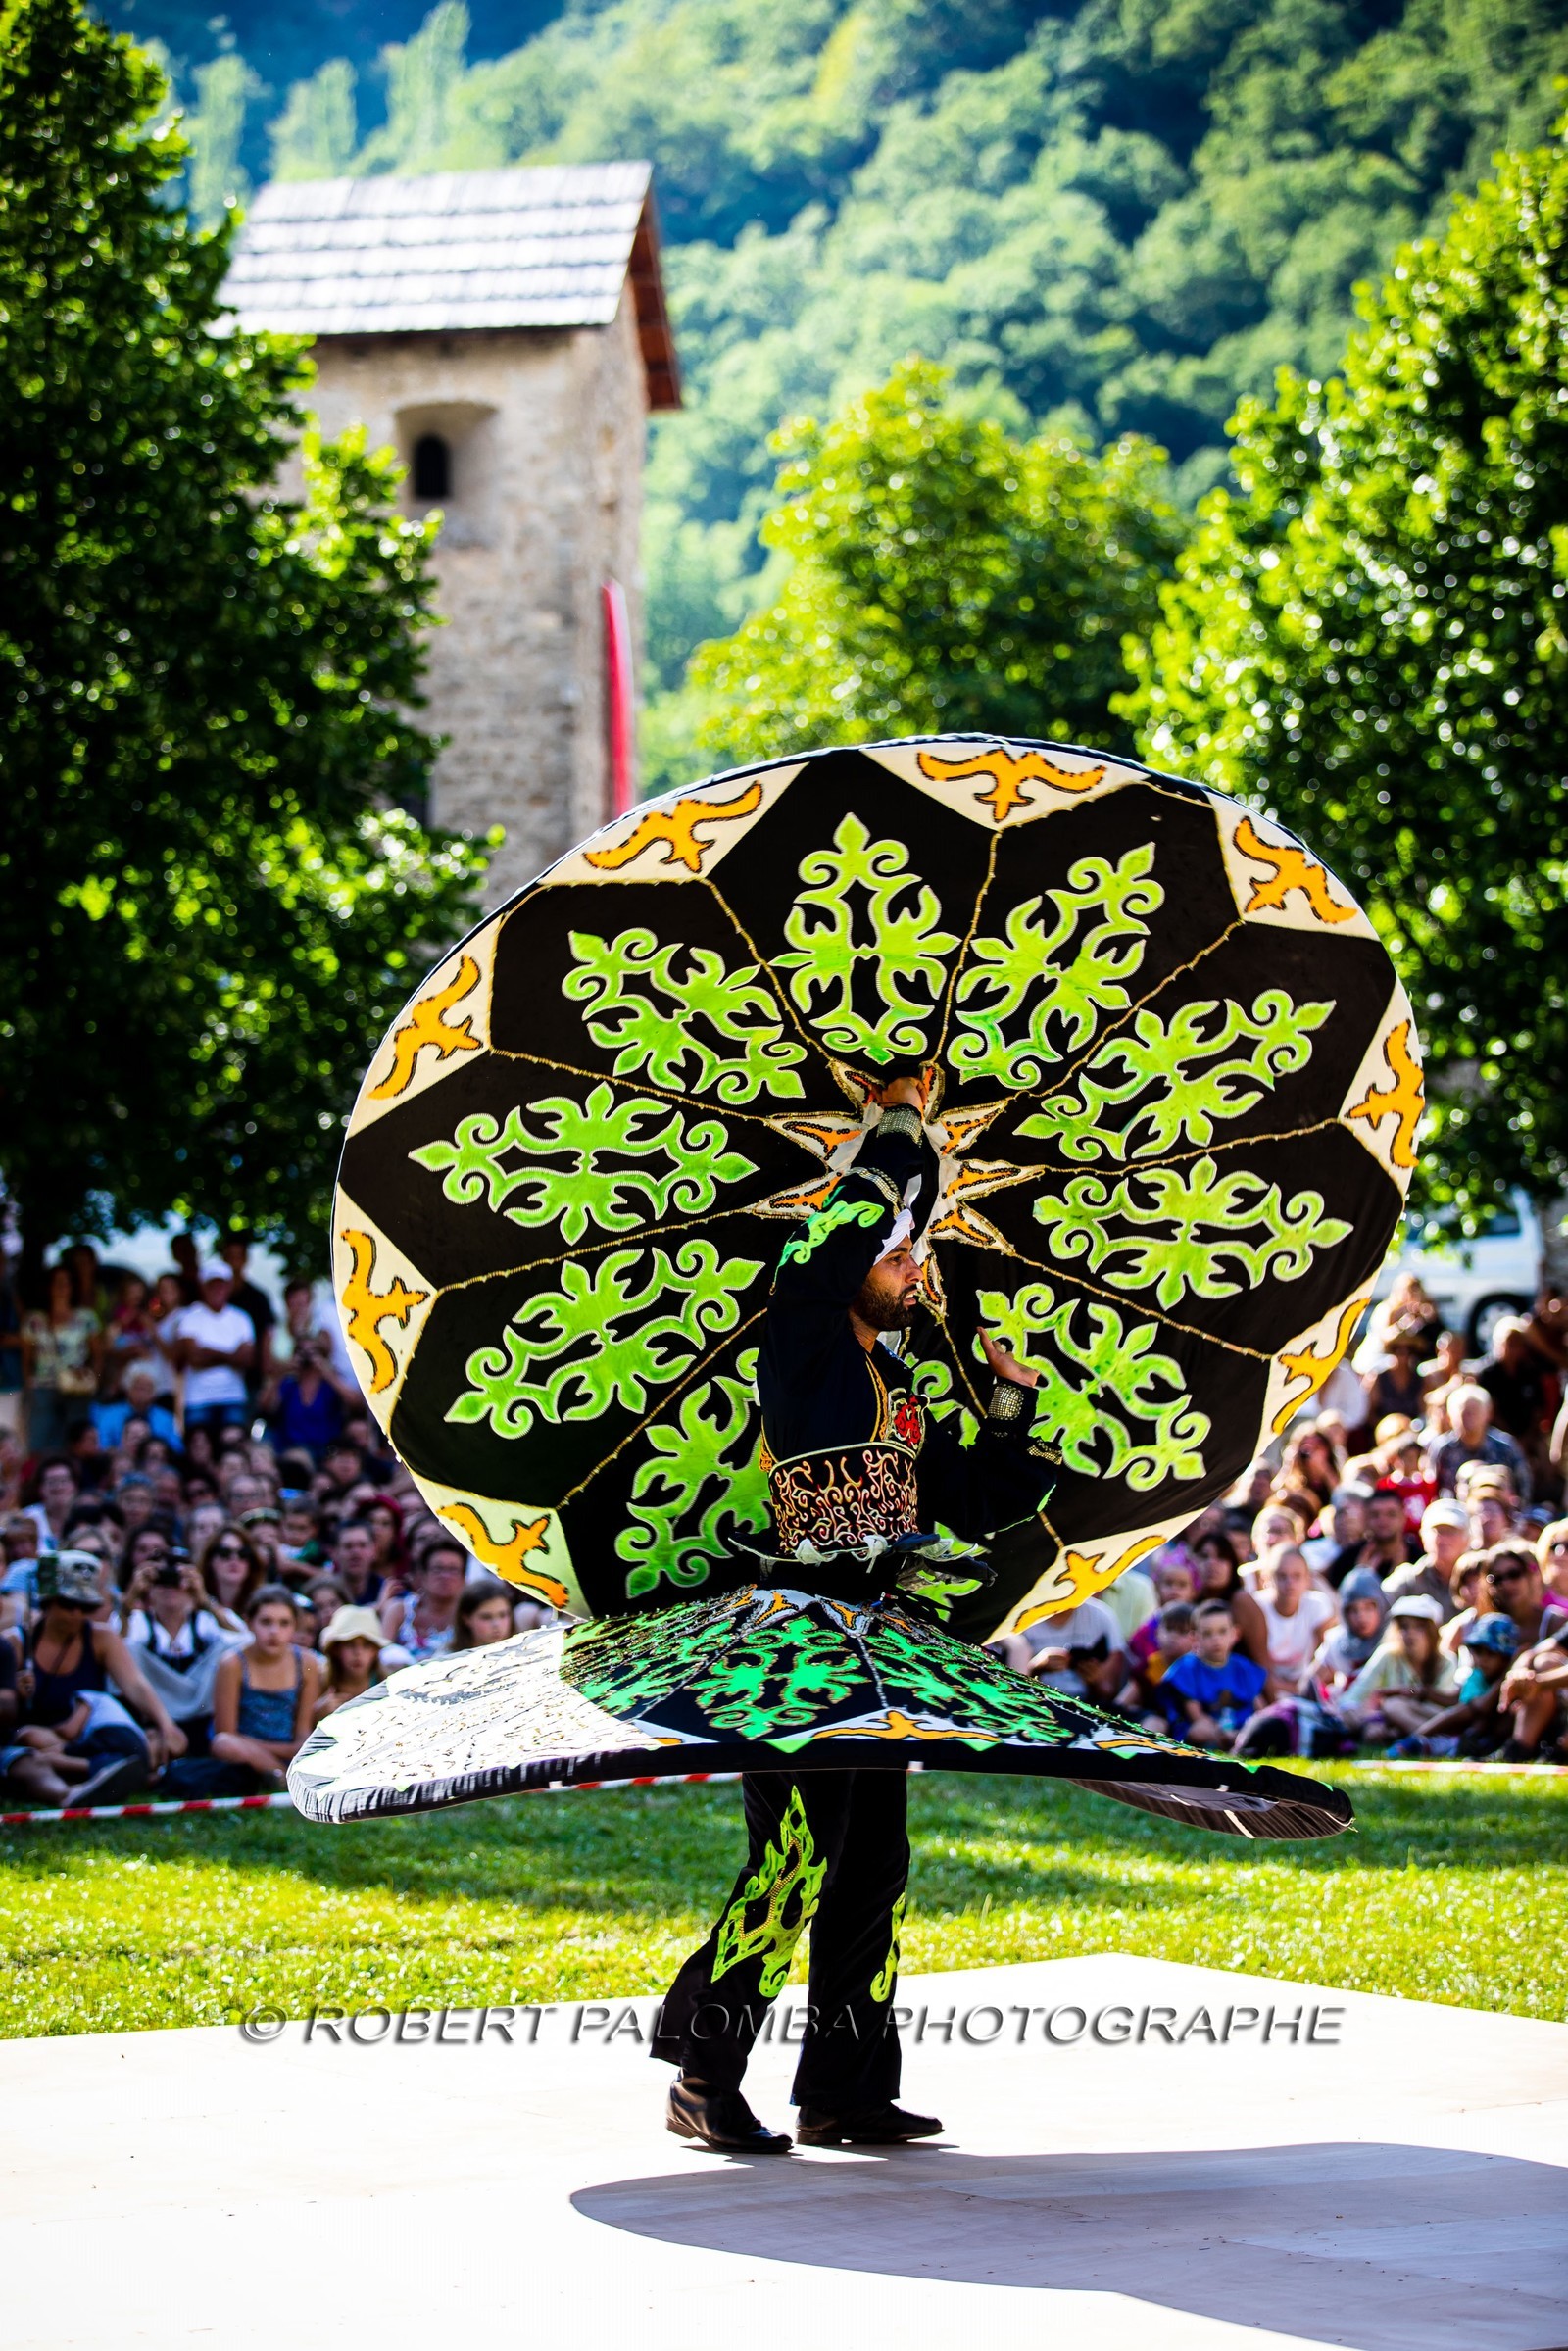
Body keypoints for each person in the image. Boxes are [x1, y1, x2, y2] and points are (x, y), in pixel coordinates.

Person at [653, 1073, 1054, 2156]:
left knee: (872, 1867)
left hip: (876, 1649)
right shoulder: (806, 1341)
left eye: (914, 1254)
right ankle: (703, 2074)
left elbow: (983, 1500)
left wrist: (1009, 1399)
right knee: (791, 1862)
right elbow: (844, 1230)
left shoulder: (898, 1386)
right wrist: (897, 1129)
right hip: (789, 1646)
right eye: (896, 1254)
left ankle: (842, 2090)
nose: (911, 1266)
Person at [0, 1551, 186, 1804]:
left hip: (88, 1738)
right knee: (31, 1741)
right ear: (47, 1602)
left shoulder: (101, 1638)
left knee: (148, 1741)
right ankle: (103, 1773)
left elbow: (136, 1686)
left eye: (86, 1606)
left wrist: (167, 1725)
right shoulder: (17, 1643)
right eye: (68, 1604)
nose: (77, 1614)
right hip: (39, 1740)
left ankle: (93, 1771)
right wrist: (17, 1690)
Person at [208, 1586, 321, 1788]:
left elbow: (303, 1734)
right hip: (244, 1754)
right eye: (266, 1622)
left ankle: (279, 1776)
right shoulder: (233, 1664)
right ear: (249, 1623)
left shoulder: (306, 1663)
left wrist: (287, 1750)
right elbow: (226, 1731)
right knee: (223, 1743)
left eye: (284, 1623)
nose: (274, 1632)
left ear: (295, 1627)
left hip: (288, 1751)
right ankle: (285, 1780)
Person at [1389, 1615, 1519, 1759]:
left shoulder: (1507, 1680)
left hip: (1485, 1732)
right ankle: (1419, 1740)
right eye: (1478, 1651)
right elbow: (1457, 1699)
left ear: (1506, 1658)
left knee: (1470, 1710)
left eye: (1491, 1653)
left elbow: (1481, 1707)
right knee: (1394, 1705)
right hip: (1459, 1729)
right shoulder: (1477, 1676)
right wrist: (1427, 1693)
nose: (1482, 1659)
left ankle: (1420, 1740)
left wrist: (1504, 1677)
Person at [1339, 1595, 1459, 1741]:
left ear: (1432, 1631)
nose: (1410, 1633)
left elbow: (1441, 1708)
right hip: (1392, 1718)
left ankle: (1432, 1740)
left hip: (1434, 1719)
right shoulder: (1387, 1655)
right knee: (1374, 1726)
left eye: (1419, 1627)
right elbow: (1356, 1695)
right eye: (1404, 1626)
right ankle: (1426, 1740)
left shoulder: (1446, 1661)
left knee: (1393, 1706)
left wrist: (1404, 1696)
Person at [1161, 1599, 1270, 1748]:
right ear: (1195, 1638)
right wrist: (1222, 1733)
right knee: (1198, 1731)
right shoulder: (1187, 1668)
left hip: (1242, 1729)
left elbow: (1260, 1709)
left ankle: (1243, 1742)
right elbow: (1197, 1717)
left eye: (1222, 1631)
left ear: (1235, 1634)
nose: (1216, 1639)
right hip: (1210, 1730)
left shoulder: (1244, 1668)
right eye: (1207, 1633)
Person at [21, 1264, 102, 1453]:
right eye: (57, 1283)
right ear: (48, 1286)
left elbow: (98, 1356)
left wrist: (94, 1377)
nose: (61, 1287)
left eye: (66, 1283)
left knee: (77, 1442)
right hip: (43, 1386)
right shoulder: (34, 1319)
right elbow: (27, 1359)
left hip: (77, 1387)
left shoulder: (86, 1317)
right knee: (40, 1441)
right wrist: (29, 1384)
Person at [172, 1263, 256, 1438]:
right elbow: (194, 1359)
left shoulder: (241, 1318)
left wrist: (209, 1351)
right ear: (204, 1287)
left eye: (222, 1284)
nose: (218, 1289)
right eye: (212, 1285)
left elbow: (247, 1360)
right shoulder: (191, 1317)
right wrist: (231, 1355)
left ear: (229, 1287)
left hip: (233, 1396)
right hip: (198, 1399)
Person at [1254, 1544, 1337, 1692]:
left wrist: (1304, 1687)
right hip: (1265, 1690)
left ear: (1308, 1579)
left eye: (1297, 1576)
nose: (1289, 1584)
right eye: (1281, 1576)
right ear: (1267, 1578)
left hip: (1307, 1688)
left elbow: (1328, 1661)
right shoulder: (1256, 1606)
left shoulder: (1317, 1604)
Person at [1429, 1384, 1531, 1503]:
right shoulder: (1441, 1448)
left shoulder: (1505, 1446)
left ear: (1488, 1414)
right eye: (1464, 1412)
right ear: (1451, 1416)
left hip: (1496, 1514)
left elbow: (1523, 1484)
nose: (1469, 1417)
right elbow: (1431, 1488)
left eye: (1474, 1411)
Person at [1189, 1528, 1270, 1667]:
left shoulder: (1242, 1601)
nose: (1212, 1564)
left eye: (1221, 1557)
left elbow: (1263, 1664)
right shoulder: (1185, 1600)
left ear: (1232, 1565)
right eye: (1204, 1556)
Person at [378, 1535, 466, 1661]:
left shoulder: (468, 1615)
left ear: (463, 1578)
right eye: (438, 1569)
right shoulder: (399, 1610)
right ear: (423, 1575)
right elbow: (381, 1658)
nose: (445, 1576)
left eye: (453, 1570)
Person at [1325, 1483, 1418, 1588]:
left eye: (1391, 1514)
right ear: (1365, 1519)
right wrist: (1359, 1577)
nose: (1383, 1520)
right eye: (1375, 1515)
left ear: (1403, 1517)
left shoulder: (1418, 1560)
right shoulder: (1348, 1559)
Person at [312, 1604, 393, 1721]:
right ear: (335, 1649)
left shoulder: (389, 1687)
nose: (358, 1653)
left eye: (366, 1645)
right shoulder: (319, 1683)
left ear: (375, 1651)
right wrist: (317, 1715)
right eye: (350, 1644)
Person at [197, 1523, 267, 1629]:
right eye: (225, 1553)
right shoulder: (195, 1603)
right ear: (210, 1560)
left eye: (243, 1553)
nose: (234, 1559)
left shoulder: (264, 1604)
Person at [453, 1576, 518, 1650]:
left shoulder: (524, 1654)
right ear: (466, 1619)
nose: (496, 1624)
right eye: (487, 1617)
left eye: (502, 1615)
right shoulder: (447, 1658)